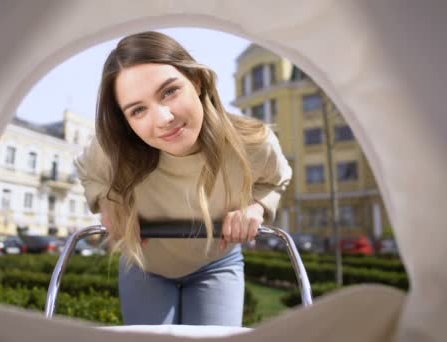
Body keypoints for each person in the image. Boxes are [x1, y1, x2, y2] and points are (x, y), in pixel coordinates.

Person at [75, 31, 292, 326]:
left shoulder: (253, 143)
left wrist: (255, 208)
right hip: (143, 265)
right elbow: (89, 172)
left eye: (169, 92)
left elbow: (277, 179)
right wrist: (107, 203)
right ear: (125, 122)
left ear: (196, 81)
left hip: (216, 263)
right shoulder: (111, 149)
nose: (164, 118)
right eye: (138, 110)